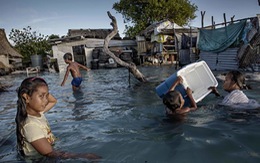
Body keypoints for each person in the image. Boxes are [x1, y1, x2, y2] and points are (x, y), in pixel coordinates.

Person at [16, 77, 101, 160]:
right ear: (26, 97)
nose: (46, 100)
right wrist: (82, 156)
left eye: (47, 95)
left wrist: (43, 91)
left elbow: (53, 101)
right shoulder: (31, 125)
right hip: (40, 160)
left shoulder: (38, 113)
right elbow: (49, 153)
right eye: (41, 96)